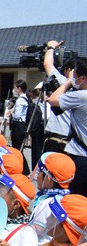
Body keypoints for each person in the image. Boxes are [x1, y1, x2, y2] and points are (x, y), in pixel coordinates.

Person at [48, 59, 87, 197]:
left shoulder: (82, 96)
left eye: (74, 74)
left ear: (83, 78)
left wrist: (68, 82)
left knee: (77, 198)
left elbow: (53, 99)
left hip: (81, 155)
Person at [43, 41, 74, 154]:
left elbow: (47, 64)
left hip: (57, 138)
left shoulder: (65, 84)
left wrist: (50, 47)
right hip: (73, 142)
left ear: (70, 71)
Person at [9, 80, 29, 151]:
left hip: (18, 126)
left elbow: (17, 116)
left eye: (15, 88)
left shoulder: (20, 100)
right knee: (20, 147)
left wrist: (11, 113)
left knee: (17, 147)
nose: (14, 90)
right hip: (23, 124)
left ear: (19, 88)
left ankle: (21, 162)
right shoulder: (26, 98)